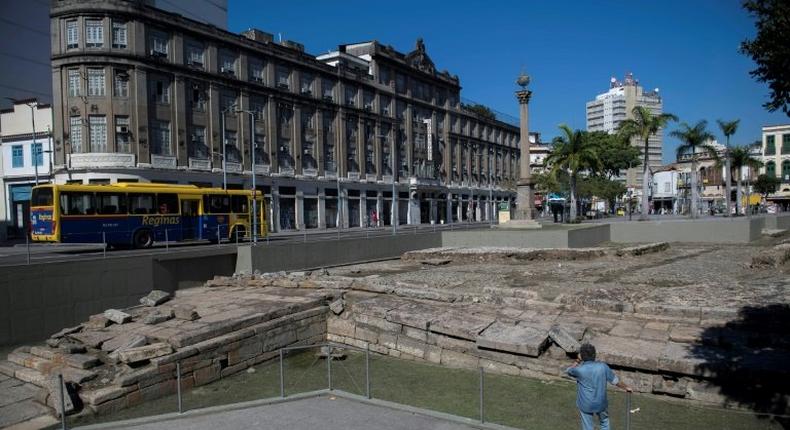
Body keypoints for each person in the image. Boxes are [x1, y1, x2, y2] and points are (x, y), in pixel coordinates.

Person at [566, 343, 631, 430]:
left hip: (585, 404)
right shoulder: (603, 367)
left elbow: (568, 370)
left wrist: (578, 360)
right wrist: (626, 387)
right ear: (594, 355)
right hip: (601, 403)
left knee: (588, 427)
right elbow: (616, 381)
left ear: (581, 355)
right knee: (604, 423)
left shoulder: (579, 370)